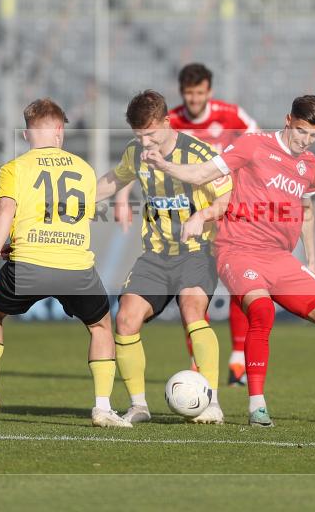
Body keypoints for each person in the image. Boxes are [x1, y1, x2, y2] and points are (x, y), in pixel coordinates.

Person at [142, 95, 315, 428]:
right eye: (301, 131)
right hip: (237, 248)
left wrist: (311, 259)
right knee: (262, 310)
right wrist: (166, 166)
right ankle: (257, 406)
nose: (306, 141)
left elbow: (306, 210)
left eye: (314, 135)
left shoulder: (310, 164)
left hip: (280, 258)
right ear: (288, 120)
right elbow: (202, 174)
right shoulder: (253, 145)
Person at [0, 98, 131, 428]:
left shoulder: (14, 169)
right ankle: (102, 407)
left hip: (29, 265)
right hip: (76, 267)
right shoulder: (82, 169)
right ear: (58, 130)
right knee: (100, 327)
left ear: (26, 134)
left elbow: (6, 212)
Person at [115, 63, 259, 386]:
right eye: (188, 93)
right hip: (182, 219)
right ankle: (198, 367)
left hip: (225, 205)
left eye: (199, 92)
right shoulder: (167, 121)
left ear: (209, 91)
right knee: (189, 305)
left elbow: (256, 147)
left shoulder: (231, 115)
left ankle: (238, 355)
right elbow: (130, 167)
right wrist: (122, 196)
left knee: (240, 284)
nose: (193, 99)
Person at [96, 90, 232, 424]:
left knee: (192, 309)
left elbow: (227, 198)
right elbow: (114, 180)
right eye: (139, 136)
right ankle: (139, 405)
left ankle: (211, 402)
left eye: (151, 135)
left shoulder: (198, 152)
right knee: (126, 318)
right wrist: (76, 198)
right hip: (155, 255)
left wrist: (201, 217)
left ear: (167, 123)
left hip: (196, 251)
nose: (145, 143)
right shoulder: (135, 153)